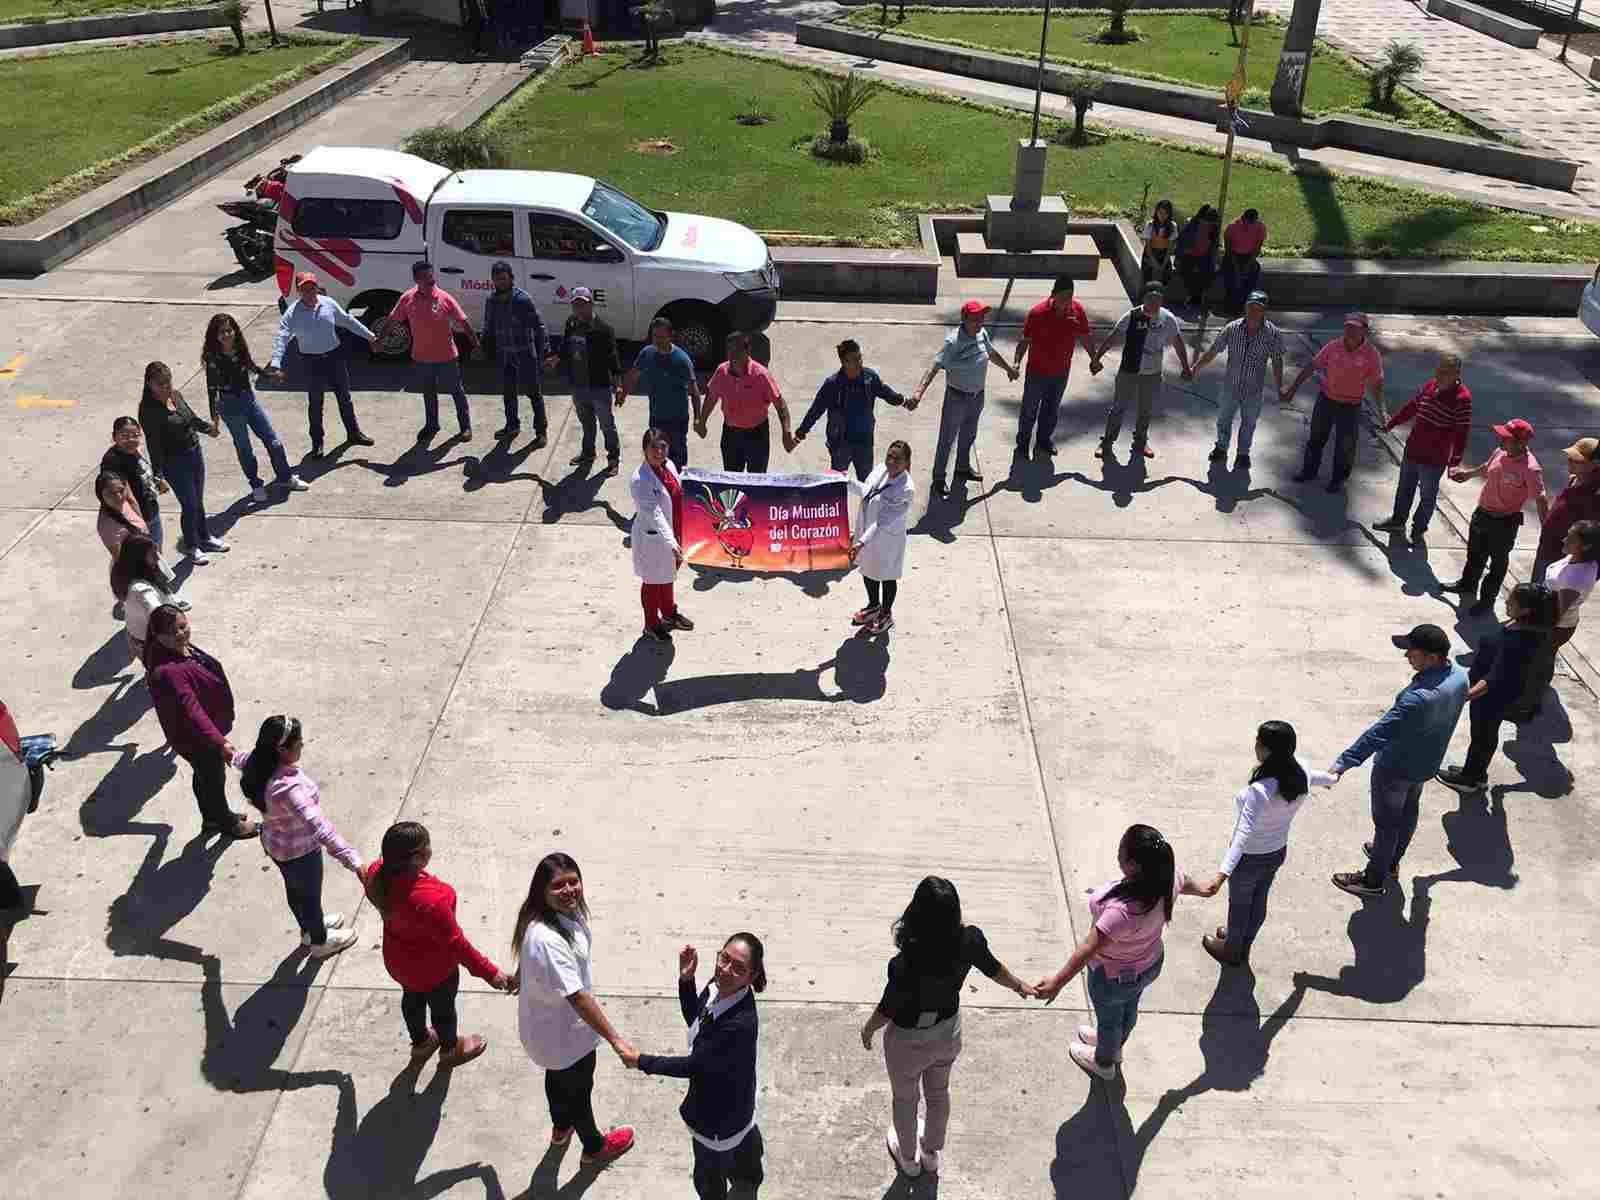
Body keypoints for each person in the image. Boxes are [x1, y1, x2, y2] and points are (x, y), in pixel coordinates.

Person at [858, 877, 1035, 1180]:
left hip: (907, 1041)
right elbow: (994, 969)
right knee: (938, 1092)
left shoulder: (904, 964)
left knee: (906, 1098)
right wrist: (1019, 985)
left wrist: (867, 1030)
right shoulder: (970, 941)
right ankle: (930, 1152)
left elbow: (887, 1008)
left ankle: (909, 1157)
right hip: (947, 1032)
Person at [1035, 824, 1215, 1080]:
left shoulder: (1121, 913)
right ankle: (1112, 1042)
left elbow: (1088, 949)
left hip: (1113, 977)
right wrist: (1206, 889)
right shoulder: (1168, 878)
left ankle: (1105, 1061)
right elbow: (1186, 883)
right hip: (1148, 965)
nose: (1119, 853)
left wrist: (1057, 982)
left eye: (1123, 850)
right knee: (1128, 1009)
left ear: (1133, 865)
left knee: (1109, 1019)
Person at [512, 852, 637, 1168]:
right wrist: (616, 1040)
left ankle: (560, 1127)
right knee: (580, 1090)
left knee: (558, 1079)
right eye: (559, 885)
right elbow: (579, 997)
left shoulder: (547, 917)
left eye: (573, 881)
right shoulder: (549, 939)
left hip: (548, 1036)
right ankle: (594, 1147)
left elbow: (532, 960)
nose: (569, 890)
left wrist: (520, 974)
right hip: (566, 1036)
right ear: (542, 891)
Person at [1328, 623, 1469, 898]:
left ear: (1431, 657)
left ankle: (1373, 879)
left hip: (1395, 768)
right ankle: (1391, 861)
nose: (1406, 657)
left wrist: (1344, 762)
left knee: (1387, 824)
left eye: (1411, 652)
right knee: (1408, 813)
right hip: (1425, 763)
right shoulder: (1459, 678)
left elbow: (1379, 733)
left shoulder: (1419, 699)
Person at [362, 821, 515, 1070]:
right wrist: (491, 974)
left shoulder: (377, 876)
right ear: (417, 858)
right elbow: (458, 945)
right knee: (443, 1010)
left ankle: (421, 1042)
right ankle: (450, 1049)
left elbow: (364, 870)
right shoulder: (430, 900)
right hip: (434, 970)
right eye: (427, 845)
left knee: (411, 1000)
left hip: (399, 964)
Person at [626, 935, 768, 1199]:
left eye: (738, 967)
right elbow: (695, 1017)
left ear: (751, 977)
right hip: (738, 1098)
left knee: (708, 1177)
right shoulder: (718, 987)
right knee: (745, 1138)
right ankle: (749, 1176)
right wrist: (686, 979)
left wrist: (641, 1061)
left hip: (716, 1117)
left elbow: (694, 1066)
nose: (725, 969)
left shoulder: (738, 1025)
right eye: (724, 958)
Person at [1195, 721, 1336, 967]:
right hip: (1276, 853)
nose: (1255, 746)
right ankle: (1241, 941)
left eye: (1259, 743)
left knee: (1239, 906)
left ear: (1269, 750)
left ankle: (1231, 951)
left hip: (1249, 859)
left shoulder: (1260, 790)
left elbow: (1243, 834)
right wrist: (1334, 777)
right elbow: (1320, 778)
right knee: (1259, 900)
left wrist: (1221, 875)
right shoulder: (1300, 769)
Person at [232, 715, 361, 959]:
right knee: (311, 897)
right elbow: (320, 828)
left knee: (294, 891)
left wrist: (220, 745)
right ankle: (320, 941)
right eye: (298, 742)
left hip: (275, 846)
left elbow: (235, 756)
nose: (302, 745)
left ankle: (307, 930)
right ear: (281, 749)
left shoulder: (256, 765)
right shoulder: (290, 789)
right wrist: (354, 862)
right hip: (302, 853)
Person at [142, 606, 259, 840]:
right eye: (174, 631)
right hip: (197, 738)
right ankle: (227, 824)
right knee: (213, 779)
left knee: (204, 776)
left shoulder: (179, 649)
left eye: (183, 626)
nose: (182, 634)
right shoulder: (168, 671)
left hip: (202, 734)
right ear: (159, 636)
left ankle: (212, 817)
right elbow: (191, 710)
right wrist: (220, 742)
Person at [1436, 583, 1557, 794]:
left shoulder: (1520, 640)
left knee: (1483, 735)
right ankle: (1474, 770)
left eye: (1512, 601)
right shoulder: (1524, 624)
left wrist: (1462, 696)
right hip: (1494, 693)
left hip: (1492, 697)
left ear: (1527, 610)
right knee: (1484, 735)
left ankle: (1471, 779)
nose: (1507, 602)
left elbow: (1494, 679)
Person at [1439, 418, 1550, 616]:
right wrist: (1467, 475)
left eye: (1506, 437)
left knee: (1497, 564)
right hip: (1482, 513)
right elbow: (1486, 467)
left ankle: (1486, 601)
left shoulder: (1531, 469)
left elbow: (1540, 499)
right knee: (1475, 554)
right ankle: (1467, 585)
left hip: (1504, 522)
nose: (1500, 439)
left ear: (1520, 442)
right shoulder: (1501, 452)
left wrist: (1546, 527)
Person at [913, 300, 1018, 499]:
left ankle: (962, 468)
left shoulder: (982, 334)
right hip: (957, 396)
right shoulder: (953, 341)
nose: (980, 322)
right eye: (975, 319)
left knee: (969, 434)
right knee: (947, 439)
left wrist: (1008, 369)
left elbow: (991, 353)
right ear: (964, 319)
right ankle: (938, 478)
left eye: (982, 318)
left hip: (977, 395)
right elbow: (935, 366)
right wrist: (919, 393)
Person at [266, 272, 376, 459]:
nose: (309, 292)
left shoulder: (328, 303)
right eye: (304, 289)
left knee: (345, 398)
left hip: (335, 357)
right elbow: (282, 337)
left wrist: (371, 336)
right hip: (311, 362)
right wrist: (276, 363)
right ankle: (317, 443)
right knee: (315, 403)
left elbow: (348, 321)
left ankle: (353, 433)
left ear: (316, 287)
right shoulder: (293, 313)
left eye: (311, 288)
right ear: (298, 291)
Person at [203, 313, 308, 503]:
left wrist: (270, 376)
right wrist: (214, 418)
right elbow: (211, 390)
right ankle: (256, 485)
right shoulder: (212, 358)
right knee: (245, 449)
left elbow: (251, 366)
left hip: (249, 399)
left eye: (229, 330)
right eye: (222, 332)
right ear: (215, 336)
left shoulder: (239, 348)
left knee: (273, 441)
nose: (227, 335)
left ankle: (285, 477)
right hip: (230, 406)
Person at [1373, 353, 1472, 544]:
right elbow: (1412, 407)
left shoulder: (1462, 399)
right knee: (1404, 489)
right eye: (1439, 369)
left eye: (1445, 371)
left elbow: (1462, 433)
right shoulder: (1431, 385)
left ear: (1457, 374)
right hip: (1413, 450)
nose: (1439, 374)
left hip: (1434, 459)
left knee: (1427, 496)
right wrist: (1391, 423)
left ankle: (1418, 529)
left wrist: (1455, 463)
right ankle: (1397, 521)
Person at [379, 262, 481, 442]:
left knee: (456, 391)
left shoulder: (444, 298)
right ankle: (432, 425)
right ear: (416, 279)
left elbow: (463, 322)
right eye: (426, 277)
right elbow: (393, 320)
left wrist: (476, 345)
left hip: (447, 357)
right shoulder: (407, 299)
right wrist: (380, 340)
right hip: (422, 358)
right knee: (428, 392)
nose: (431, 280)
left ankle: (465, 427)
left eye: (431, 276)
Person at [1089, 283, 1191, 461]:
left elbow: (1178, 342)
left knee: (1145, 410)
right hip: (1129, 369)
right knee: (1118, 408)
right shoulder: (1132, 316)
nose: (1154, 302)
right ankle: (1107, 442)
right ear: (1144, 298)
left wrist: (1185, 366)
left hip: (1152, 373)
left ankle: (1141, 442)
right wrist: (1097, 358)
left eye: (1158, 299)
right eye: (1150, 298)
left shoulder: (1167, 318)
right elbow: (1113, 337)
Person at [1283, 313, 1384, 494]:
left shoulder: (1371, 355)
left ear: (1364, 331)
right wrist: (1292, 389)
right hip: (1326, 399)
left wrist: (1381, 412)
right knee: (1316, 438)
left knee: (1345, 446)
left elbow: (1376, 384)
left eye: (1354, 328)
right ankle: (1309, 471)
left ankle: (1338, 480)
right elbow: (1311, 367)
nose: (1349, 331)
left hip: (1351, 406)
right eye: (1347, 327)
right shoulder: (1333, 346)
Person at [140, 361, 229, 564]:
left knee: (198, 499)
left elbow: (191, 419)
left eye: (168, 381)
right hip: (174, 462)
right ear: (149, 384)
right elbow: (153, 444)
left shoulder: (175, 395)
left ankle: (204, 537)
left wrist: (208, 429)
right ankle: (191, 545)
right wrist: (158, 474)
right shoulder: (148, 410)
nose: (166, 387)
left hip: (194, 453)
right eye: (160, 383)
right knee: (189, 503)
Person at [1190, 289, 1285, 470]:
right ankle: (1221, 448)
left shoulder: (1272, 333)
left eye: (1258, 308)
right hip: (1230, 386)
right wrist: (1195, 369)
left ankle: (1243, 454)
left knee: (1248, 423)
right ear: (1245, 307)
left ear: (1264, 311)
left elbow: (1277, 360)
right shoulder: (1232, 328)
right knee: (1223, 419)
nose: (1254, 311)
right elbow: (1213, 351)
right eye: (1251, 307)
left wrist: (1281, 386)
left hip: (1254, 389)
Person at [793, 339, 908, 480]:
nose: (859, 362)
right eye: (854, 359)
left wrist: (904, 401)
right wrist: (801, 433)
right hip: (840, 444)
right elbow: (816, 410)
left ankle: (866, 503)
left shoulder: (870, 378)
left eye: (860, 357)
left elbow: (887, 394)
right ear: (843, 362)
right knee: (838, 484)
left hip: (864, 442)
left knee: (867, 484)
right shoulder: (832, 384)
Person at [1519, 520, 1599, 716]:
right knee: (1544, 659)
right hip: (1554, 621)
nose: (1564, 539)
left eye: (1571, 538)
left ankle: (1528, 707)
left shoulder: (1576, 579)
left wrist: (1527, 622)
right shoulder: (1576, 559)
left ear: (1586, 546)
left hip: (1553, 626)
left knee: (1536, 664)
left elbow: (1557, 613)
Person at [1011, 276, 1092, 460]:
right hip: (1037, 372)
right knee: (1029, 410)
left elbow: (1085, 336)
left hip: (1061, 372)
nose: (1066, 301)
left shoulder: (1077, 311)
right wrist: (1016, 363)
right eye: (1063, 297)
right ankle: (1022, 444)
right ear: (1053, 295)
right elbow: (1025, 341)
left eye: (1069, 297)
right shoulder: (1037, 313)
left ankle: (1043, 441)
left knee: (1051, 410)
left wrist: (1093, 358)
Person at [546, 287, 624, 474]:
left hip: (599, 386)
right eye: (576, 305)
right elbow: (566, 346)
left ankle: (613, 459)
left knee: (607, 425)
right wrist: (556, 358)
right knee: (586, 423)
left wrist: (619, 385)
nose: (579, 309)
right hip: (578, 385)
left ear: (591, 304)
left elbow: (613, 358)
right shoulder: (572, 323)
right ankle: (588, 453)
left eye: (583, 304)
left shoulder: (604, 330)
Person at [698, 332, 791, 473]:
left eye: (737, 350)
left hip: (757, 436)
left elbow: (780, 405)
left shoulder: (761, 375)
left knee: (757, 481)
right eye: (730, 350)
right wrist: (702, 421)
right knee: (733, 480)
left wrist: (786, 432)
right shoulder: (721, 372)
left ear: (747, 351)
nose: (733, 355)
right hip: (731, 435)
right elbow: (711, 398)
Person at [848, 440, 914, 636]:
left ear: (907, 462)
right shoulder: (880, 470)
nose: (892, 462)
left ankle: (886, 613)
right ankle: (873, 606)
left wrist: (860, 542)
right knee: (868, 571)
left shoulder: (906, 489)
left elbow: (883, 521)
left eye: (898, 459)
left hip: (886, 539)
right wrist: (844, 480)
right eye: (889, 456)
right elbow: (866, 491)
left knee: (886, 575)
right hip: (868, 535)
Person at [632, 427, 690, 643]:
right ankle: (651, 624)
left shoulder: (669, 466)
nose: (658, 452)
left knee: (668, 576)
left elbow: (680, 491)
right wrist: (672, 542)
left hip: (674, 532)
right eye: (653, 448)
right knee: (652, 582)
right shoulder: (640, 479)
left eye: (662, 447)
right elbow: (655, 514)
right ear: (645, 450)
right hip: (654, 539)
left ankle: (668, 613)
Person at [484, 260, 549, 446]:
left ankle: (541, 431)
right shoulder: (491, 301)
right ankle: (512, 426)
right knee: (508, 393)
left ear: (511, 278)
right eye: (496, 279)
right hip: (505, 356)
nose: (500, 283)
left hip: (525, 354)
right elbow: (488, 326)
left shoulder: (523, 300)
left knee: (534, 394)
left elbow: (539, 327)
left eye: (503, 279)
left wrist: (543, 353)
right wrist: (485, 347)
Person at [621, 317, 701, 469]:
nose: (657, 340)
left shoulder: (682, 360)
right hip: (657, 417)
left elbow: (694, 391)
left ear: (671, 336)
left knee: (677, 458)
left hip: (678, 419)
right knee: (657, 456)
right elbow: (633, 374)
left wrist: (697, 418)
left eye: (661, 337)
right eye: (655, 336)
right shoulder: (647, 353)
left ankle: (678, 486)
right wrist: (624, 392)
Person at [1533, 437, 1599, 583]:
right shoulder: (1574, 479)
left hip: (1562, 562)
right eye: (1570, 457)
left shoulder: (1595, 493)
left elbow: (1591, 536)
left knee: (1547, 603)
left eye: (1576, 459)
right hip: (1546, 550)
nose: (1569, 461)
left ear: (1594, 464)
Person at [110, 535, 188, 660]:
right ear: (139, 559)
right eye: (152, 554)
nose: (158, 558)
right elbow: (161, 617)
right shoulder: (142, 591)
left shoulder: (123, 572)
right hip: (154, 642)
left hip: (138, 635)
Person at [101, 416, 169, 553]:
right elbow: (124, 498)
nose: (131, 440)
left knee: (156, 556)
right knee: (140, 561)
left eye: (135, 435)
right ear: (114, 437)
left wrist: (158, 480)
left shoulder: (135, 451)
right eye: (124, 436)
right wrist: (139, 525)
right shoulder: (112, 462)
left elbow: (145, 473)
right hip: (135, 520)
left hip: (151, 512)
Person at [1221, 207, 1267, 312]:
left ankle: (1246, 305)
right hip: (1233, 256)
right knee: (1231, 277)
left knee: (1252, 276)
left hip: (1249, 256)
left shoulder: (1260, 227)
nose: (1251, 225)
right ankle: (1230, 304)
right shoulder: (1232, 227)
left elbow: (1257, 248)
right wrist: (1237, 267)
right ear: (1243, 219)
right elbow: (1229, 249)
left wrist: (1248, 264)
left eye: (1253, 222)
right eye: (1248, 222)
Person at [1175, 204, 1220, 309]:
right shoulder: (1191, 225)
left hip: (1204, 256)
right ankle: (1192, 297)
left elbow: (1213, 245)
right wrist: (1180, 256)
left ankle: (1198, 298)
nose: (1208, 224)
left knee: (1208, 273)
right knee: (1186, 272)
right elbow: (1181, 242)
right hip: (1189, 255)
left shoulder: (1213, 228)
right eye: (1206, 222)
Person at [1140, 198, 1177, 287]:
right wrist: (1154, 262)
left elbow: (1170, 247)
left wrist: (1164, 264)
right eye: (1160, 213)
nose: (1162, 216)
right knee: (1147, 279)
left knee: (1165, 279)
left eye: (1165, 213)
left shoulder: (1173, 226)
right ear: (1156, 212)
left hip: (1164, 255)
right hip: (1151, 254)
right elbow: (1147, 246)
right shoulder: (1150, 225)